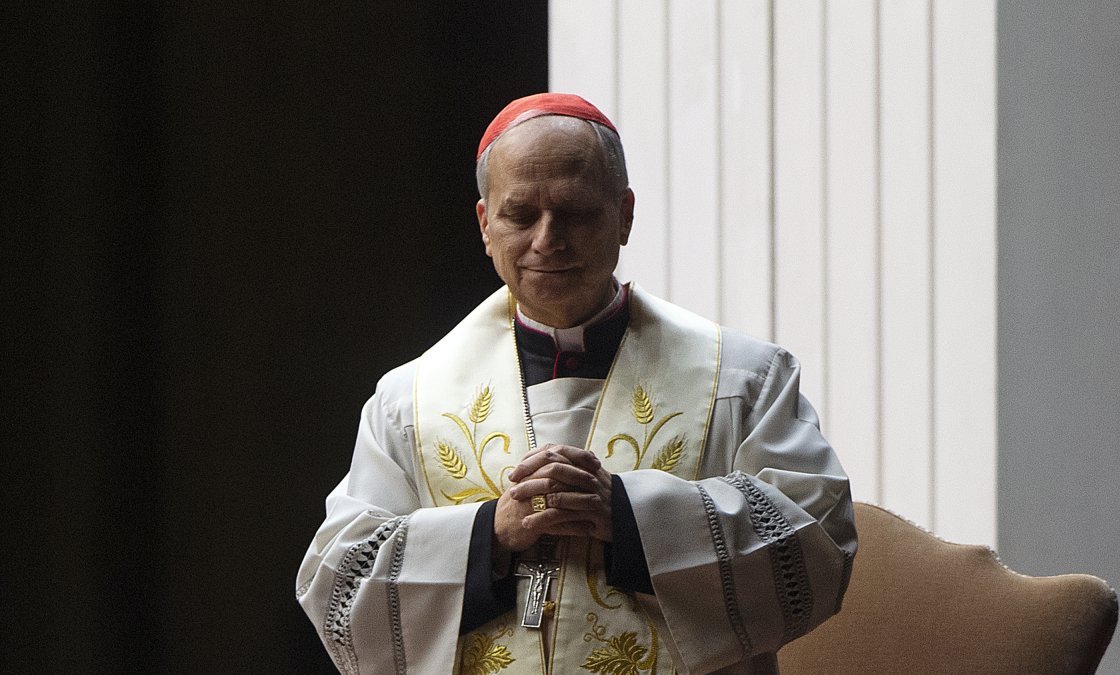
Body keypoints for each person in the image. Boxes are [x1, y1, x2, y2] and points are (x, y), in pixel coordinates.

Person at [296, 93, 857, 674]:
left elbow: (819, 541)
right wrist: (489, 535)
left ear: (624, 216)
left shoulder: (743, 379)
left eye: (576, 212)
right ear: (486, 224)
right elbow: (339, 587)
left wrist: (631, 518)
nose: (548, 239)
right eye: (521, 215)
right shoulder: (408, 402)